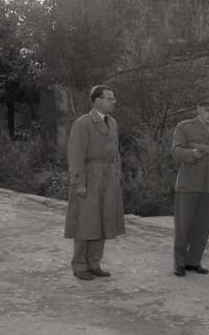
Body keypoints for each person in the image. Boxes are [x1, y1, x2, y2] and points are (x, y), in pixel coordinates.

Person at [64, 85, 125, 280]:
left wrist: (118, 174)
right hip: (90, 177)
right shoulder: (83, 123)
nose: (114, 101)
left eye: (113, 98)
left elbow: (115, 152)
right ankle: (80, 265)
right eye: (110, 98)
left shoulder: (113, 122)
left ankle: (94, 263)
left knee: (103, 221)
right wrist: (79, 183)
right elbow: (75, 155)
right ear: (97, 100)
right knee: (85, 222)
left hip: (108, 179)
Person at [171, 94, 209, 277]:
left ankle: (194, 261)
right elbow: (175, 150)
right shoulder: (184, 126)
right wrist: (191, 154)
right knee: (184, 225)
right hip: (189, 182)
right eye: (207, 110)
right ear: (198, 108)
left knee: (203, 226)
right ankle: (179, 263)